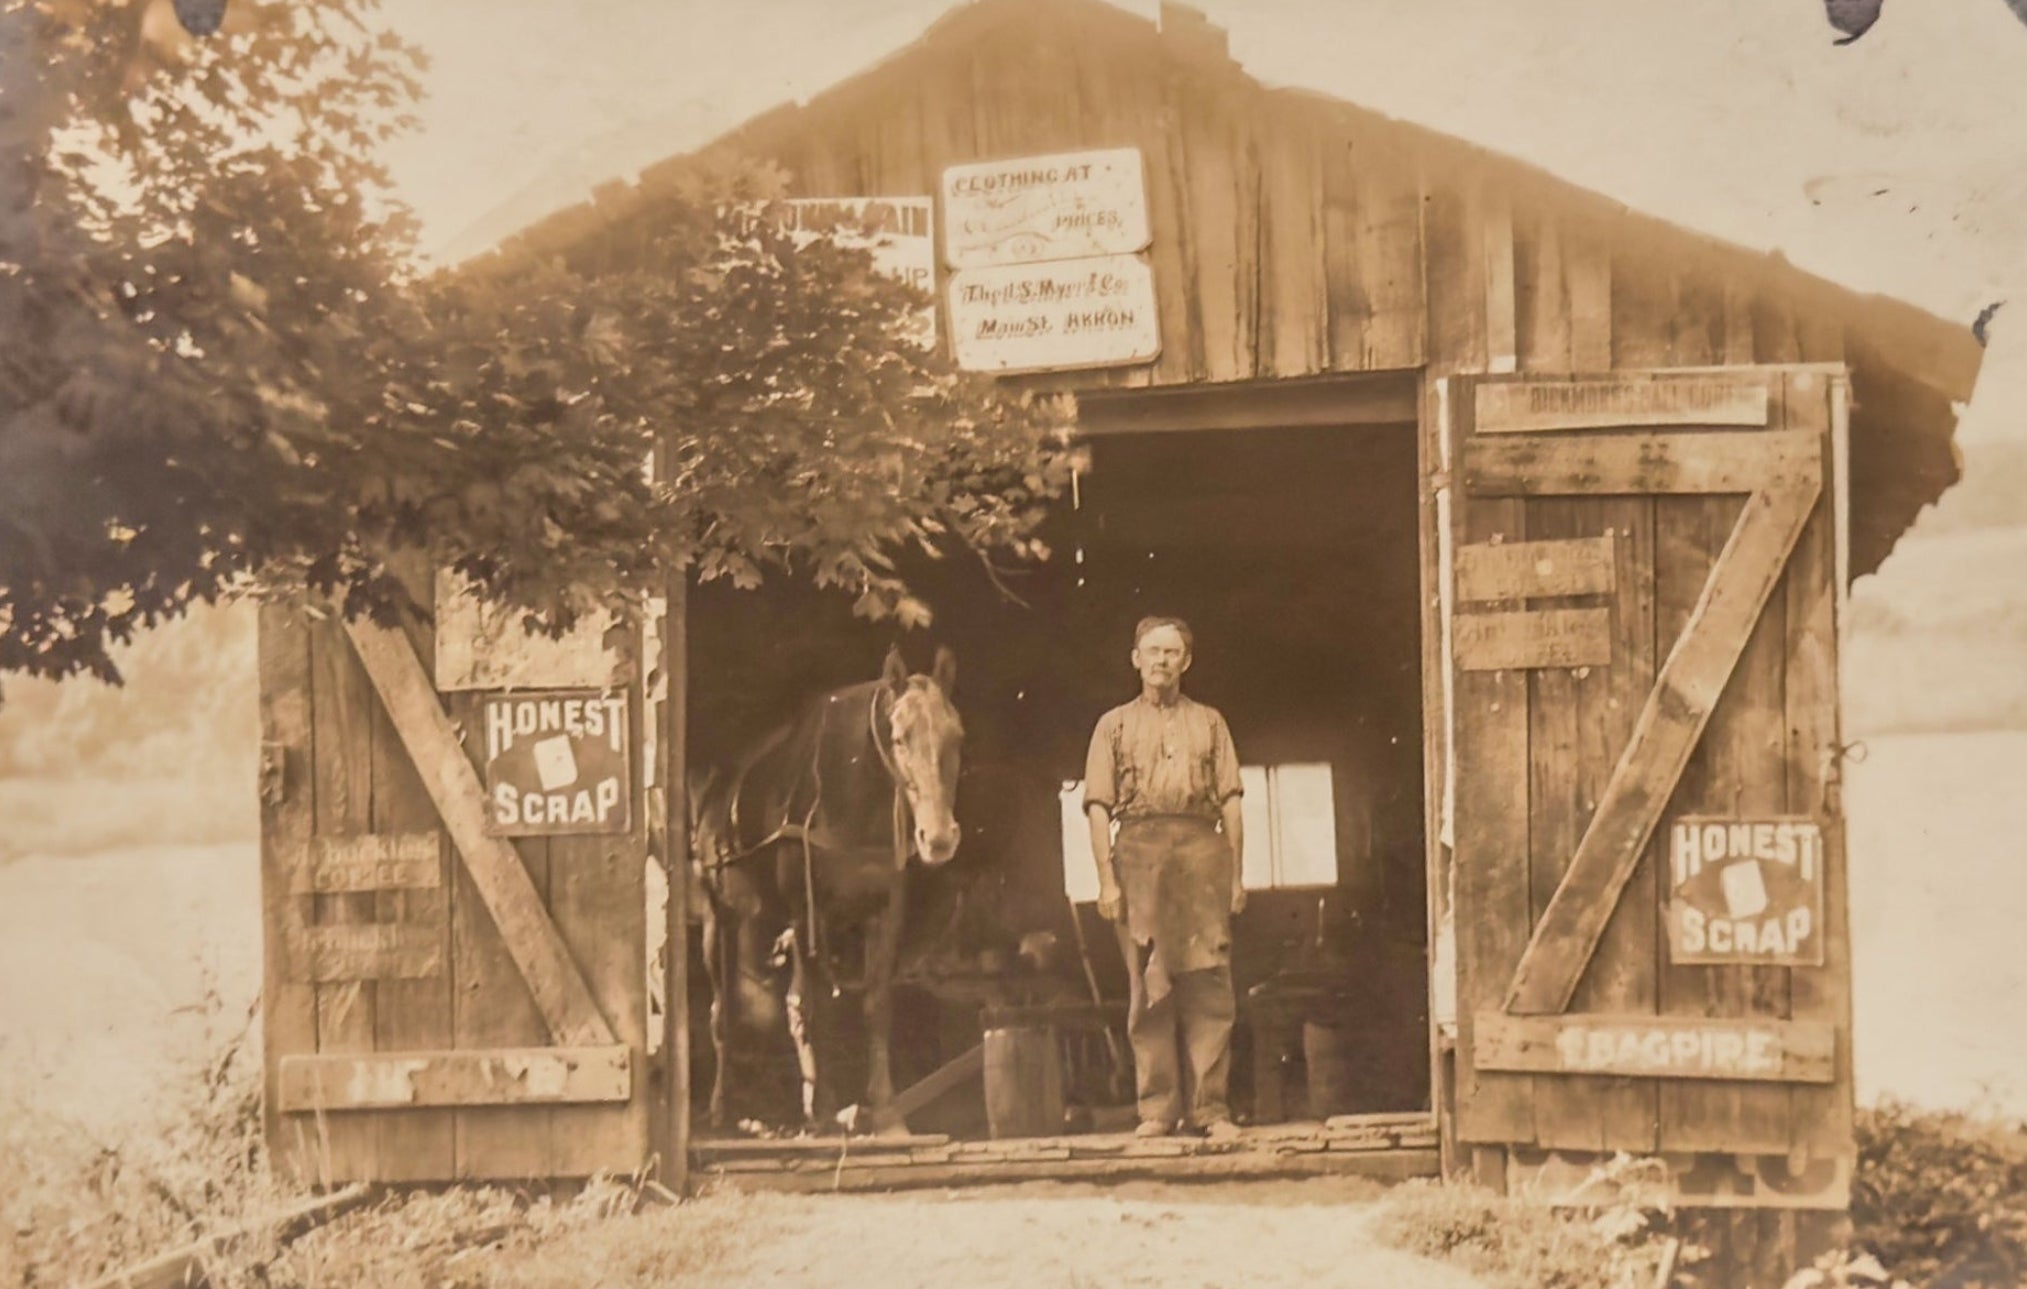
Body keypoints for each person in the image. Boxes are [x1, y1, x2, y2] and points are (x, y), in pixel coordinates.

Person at [1083, 615, 1245, 1143]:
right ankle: (1157, 1109)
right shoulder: (1112, 725)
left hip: (1201, 854)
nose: (1161, 661)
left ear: (1186, 661)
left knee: (1209, 982)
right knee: (1147, 984)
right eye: (1152, 651)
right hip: (1139, 854)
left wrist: (1236, 876)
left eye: (1172, 652)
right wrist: (1106, 881)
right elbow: (1097, 807)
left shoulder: (1212, 722)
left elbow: (1232, 803)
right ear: (1135, 658)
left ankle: (1212, 1110)